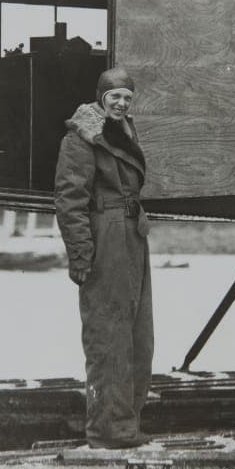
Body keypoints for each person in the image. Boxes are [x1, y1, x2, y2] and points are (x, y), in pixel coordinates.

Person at [54, 67, 154, 449]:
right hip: (106, 235)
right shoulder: (80, 138)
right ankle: (107, 430)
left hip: (132, 234)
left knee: (138, 334)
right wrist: (81, 255)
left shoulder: (126, 131)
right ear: (101, 97)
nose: (122, 103)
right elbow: (69, 200)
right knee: (108, 333)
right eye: (115, 96)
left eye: (127, 97)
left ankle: (127, 423)